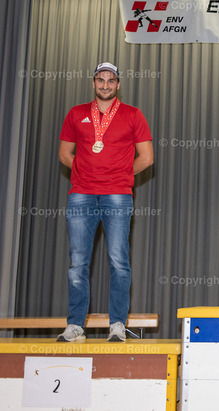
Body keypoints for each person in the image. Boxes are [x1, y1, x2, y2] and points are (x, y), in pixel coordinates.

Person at [57, 62, 153, 342]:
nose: (106, 85)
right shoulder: (76, 113)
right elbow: (64, 154)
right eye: (101, 80)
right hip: (81, 194)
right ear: (93, 82)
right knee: (78, 263)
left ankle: (117, 325)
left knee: (119, 261)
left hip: (118, 195)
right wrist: (84, 172)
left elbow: (147, 158)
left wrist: (121, 175)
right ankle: (75, 325)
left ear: (118, 84)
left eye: (111, 80)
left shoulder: (133, 114)